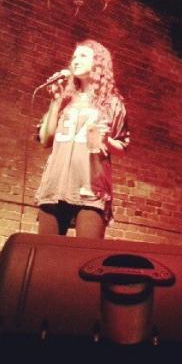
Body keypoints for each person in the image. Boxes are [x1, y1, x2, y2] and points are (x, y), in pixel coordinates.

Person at [35, 39, 130, 239]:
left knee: (86, 254)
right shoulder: (65, 99)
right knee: (46, 253)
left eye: (83, 56)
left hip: (91, 191)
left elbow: (122, 146)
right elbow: (45, 139)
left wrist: (106, 140)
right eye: (74, 56)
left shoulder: (111, 103)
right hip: (54, 188)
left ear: (98, 63)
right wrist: (55, 101)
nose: (75, 60)